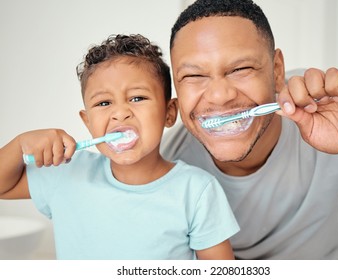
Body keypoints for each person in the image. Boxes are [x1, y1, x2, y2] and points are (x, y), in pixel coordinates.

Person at [161, 0, 338, 259]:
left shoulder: (332, 102)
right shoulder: (167, 169)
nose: (220, 96)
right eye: (194, 76)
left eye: (240, 69)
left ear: (277, 70)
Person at [0, 34, 239, 260]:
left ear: (169, 113)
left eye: (137, 98)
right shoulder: (66, 172)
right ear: (88, 122)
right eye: (104, 103)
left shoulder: (196, 191)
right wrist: (20, 143)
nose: (120, 113)